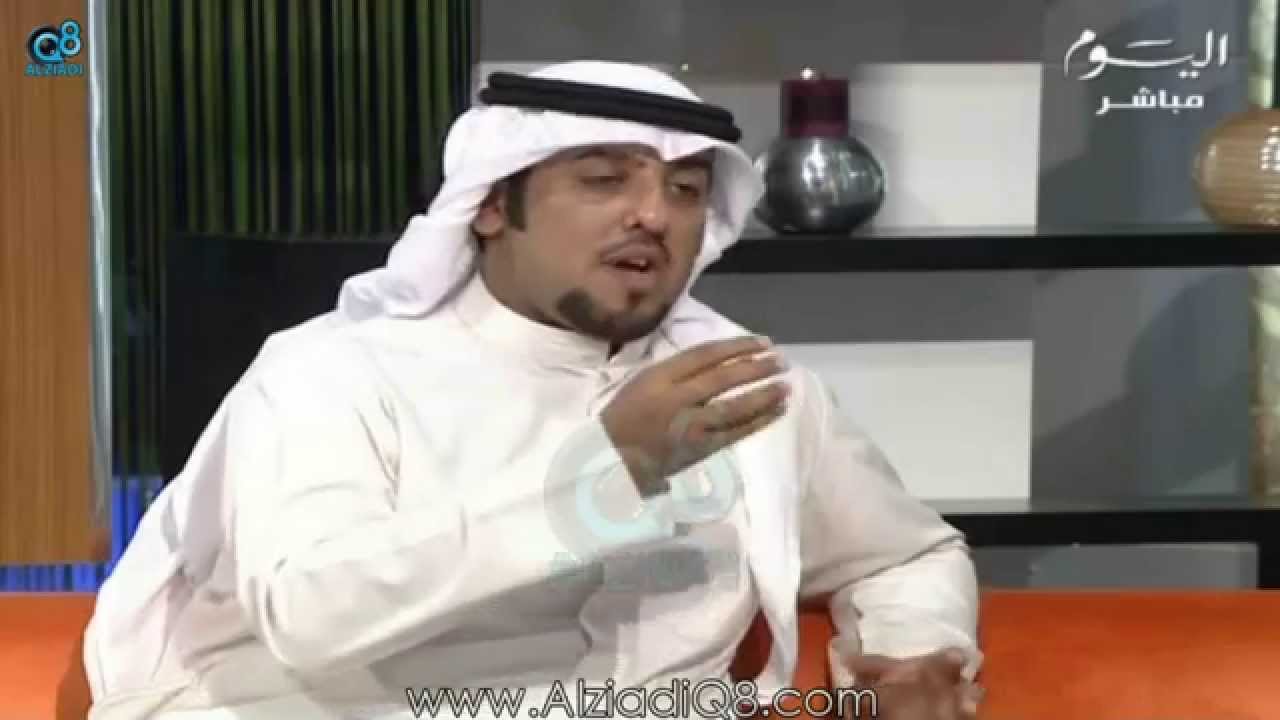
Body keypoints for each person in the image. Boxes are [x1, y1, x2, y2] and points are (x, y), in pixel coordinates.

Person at [82, 61, 983, 720]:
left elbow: (901, 554)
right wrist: (607, 478)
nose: (652, 213)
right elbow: (309, 615)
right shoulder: (334, 375)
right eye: (603, 179)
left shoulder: (743, 387)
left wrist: (912, 651)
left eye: (683, 189)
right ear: (488, 205)